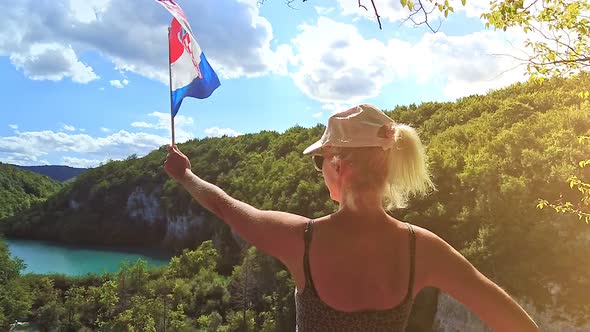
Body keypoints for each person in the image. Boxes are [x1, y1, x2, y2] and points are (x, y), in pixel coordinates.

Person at [164, 104, 539, 331]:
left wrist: (186, 176)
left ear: (339, 164)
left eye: (320, 160)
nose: (319, 169)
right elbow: (516, 323)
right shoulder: (420, 249)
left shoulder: (302, 241)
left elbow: (226, 206)